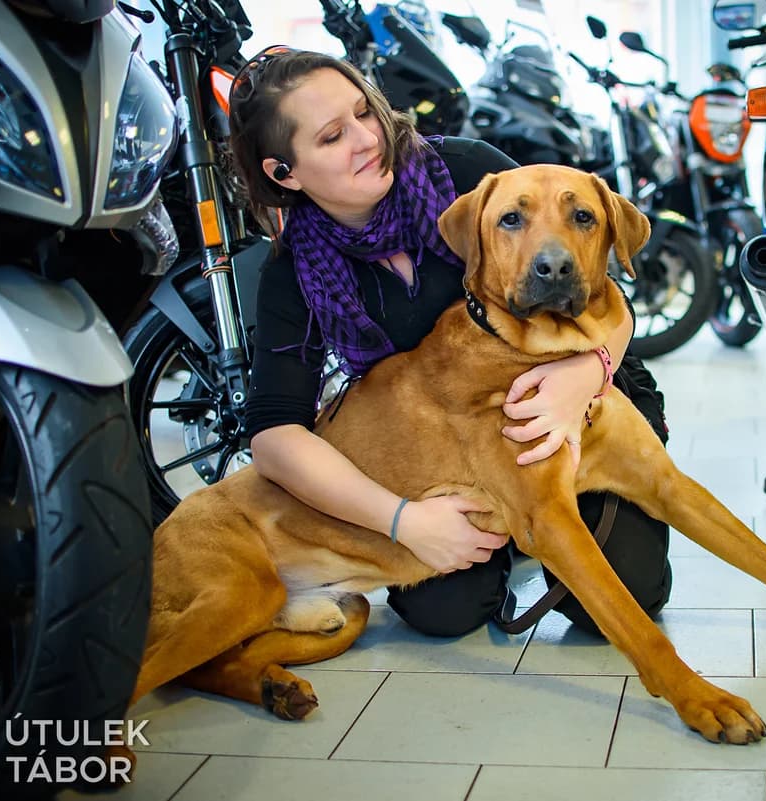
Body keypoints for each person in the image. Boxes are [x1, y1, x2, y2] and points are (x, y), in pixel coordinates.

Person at [228, 47, 672, 638]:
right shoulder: (294, 272)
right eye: (334, 136)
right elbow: (275, 433)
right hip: (458, 456)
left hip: (582, 408)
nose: (367, 139)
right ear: (284, 173)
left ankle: (539, 524)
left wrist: (588, 371)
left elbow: (601, 292)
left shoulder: (468, 174)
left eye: (366, 112)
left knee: (631, 592)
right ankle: (520, 526)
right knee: (447, 614)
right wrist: (402, 521)